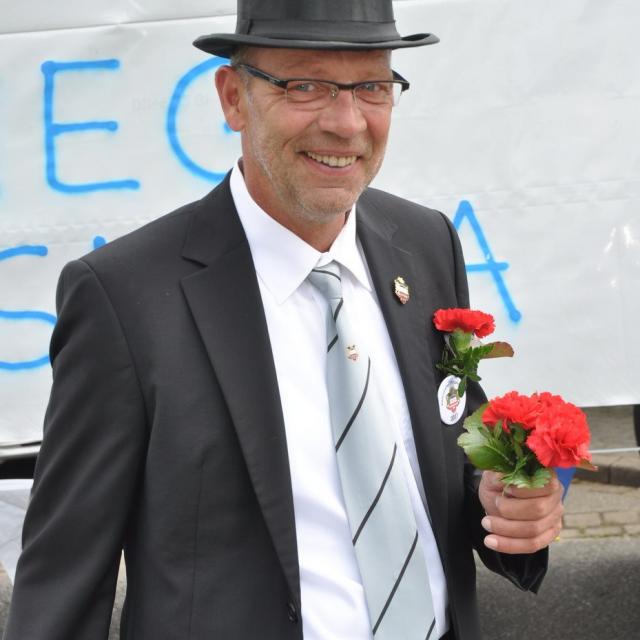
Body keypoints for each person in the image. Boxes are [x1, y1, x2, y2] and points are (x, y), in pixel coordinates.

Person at [4, 1, 563, 639]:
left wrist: (504, 504)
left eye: (373, 87)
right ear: (233, 98)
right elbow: (65, 575)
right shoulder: (124, 297)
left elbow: (450, 452)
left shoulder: (425, 243)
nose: (347, 123)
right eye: (305, 86)